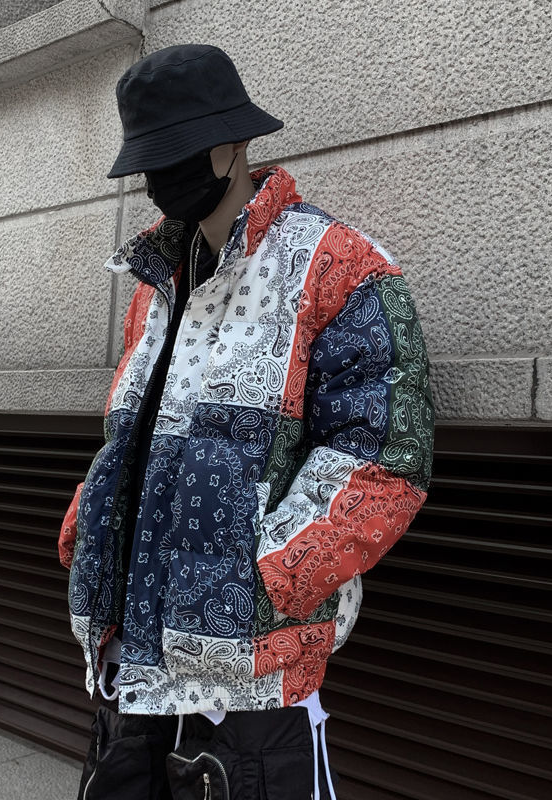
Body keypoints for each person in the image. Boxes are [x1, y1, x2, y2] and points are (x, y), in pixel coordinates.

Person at [58, 43, 435, 800]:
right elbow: (130, 437)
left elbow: (385, 461)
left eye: (179, 155)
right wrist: (86, 532)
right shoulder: (156, 283)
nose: (162, 178)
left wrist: (258, 580)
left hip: (250, 685)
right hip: (127, 663)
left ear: (235, 143)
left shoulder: (335, 265)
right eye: (151, 161)